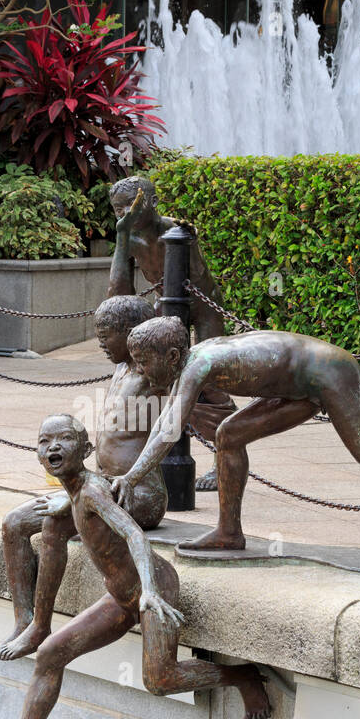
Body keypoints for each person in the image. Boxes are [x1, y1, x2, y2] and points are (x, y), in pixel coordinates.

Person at [0, 414, 272, 719]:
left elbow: (134, 535)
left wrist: (148, 589)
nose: (52, 448)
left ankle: (242, 676)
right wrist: (62, 507)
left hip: (155, 589)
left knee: (160, 680)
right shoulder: (75, 493)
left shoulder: (93, 491)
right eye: (43, 441)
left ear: (85, 449)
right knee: (50, 654)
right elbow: (75, 511)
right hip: (121, 597)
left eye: (63, 439)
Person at [112, 318, 360, 568]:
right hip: (294, 386)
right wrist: (134, 474)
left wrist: (131, 476)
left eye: (143, 362)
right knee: (229, 436)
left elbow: (167, 429)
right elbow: (165, 420)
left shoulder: (197, 365)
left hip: (329, 372)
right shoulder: (189, 361)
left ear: (172, 356)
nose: (140, 371)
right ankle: (229, 531)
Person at [0, 295, 169, 662]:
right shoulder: (120, 367)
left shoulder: (153, 373)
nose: (99, 341)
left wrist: (113, 485)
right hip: (102, 485)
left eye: (106, 334)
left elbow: (171, 424)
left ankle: (41, 626)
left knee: (53, 526)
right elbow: (121, 289)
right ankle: (24, 621)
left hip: (137, 496)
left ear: (132, 335)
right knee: (13, 523)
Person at [108, 176, 235, 489]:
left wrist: (187, 242)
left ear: (150, 203)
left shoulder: (176, 231)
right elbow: (119, 297)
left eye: (131, 205)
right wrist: (122, 238)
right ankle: (157, 458)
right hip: (166, 306)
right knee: (158, 382)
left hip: (202, 310)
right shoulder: (130, 237)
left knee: (208, 382)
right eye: (117, 209)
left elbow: (198, 280)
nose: (124, 212)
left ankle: (227, 462)